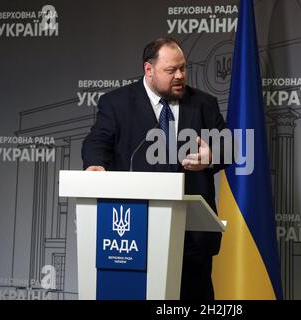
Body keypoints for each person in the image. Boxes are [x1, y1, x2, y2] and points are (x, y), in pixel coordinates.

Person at [82, 37, 228, 300]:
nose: (180, 76)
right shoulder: (116, 103)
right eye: (171, 71)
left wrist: (212, 156)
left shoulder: (203, 103)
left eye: (183, 68)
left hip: (192, 235)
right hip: (136, 231)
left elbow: (231, 148)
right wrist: (96, 165)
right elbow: (97, 141)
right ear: (148, 69)